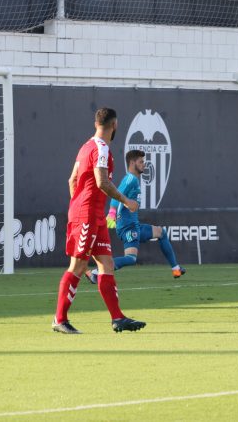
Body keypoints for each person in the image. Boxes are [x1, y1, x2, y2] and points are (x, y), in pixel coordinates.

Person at [52, 108, 146, 334]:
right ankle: (59, 319)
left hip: (93, 214)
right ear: (115, 125)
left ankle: (118, 318)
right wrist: (126, 201)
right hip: (87, 215)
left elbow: (72, 180)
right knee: (78, 266)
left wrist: (77, 203)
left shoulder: (86, 147)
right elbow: (102, 182)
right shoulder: (101, 148)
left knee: (106, 264)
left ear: (96, 124)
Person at [86, 150, 185, 283]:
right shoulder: (130, 179)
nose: (144, 164)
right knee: (131, 258)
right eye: (141, 162)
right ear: (132, 163)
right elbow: (116, 194)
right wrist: (112, 212)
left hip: (134, 225)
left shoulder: (134, 180)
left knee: (161, 232)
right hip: (128, 226)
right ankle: (96, 272)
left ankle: (176, 269)